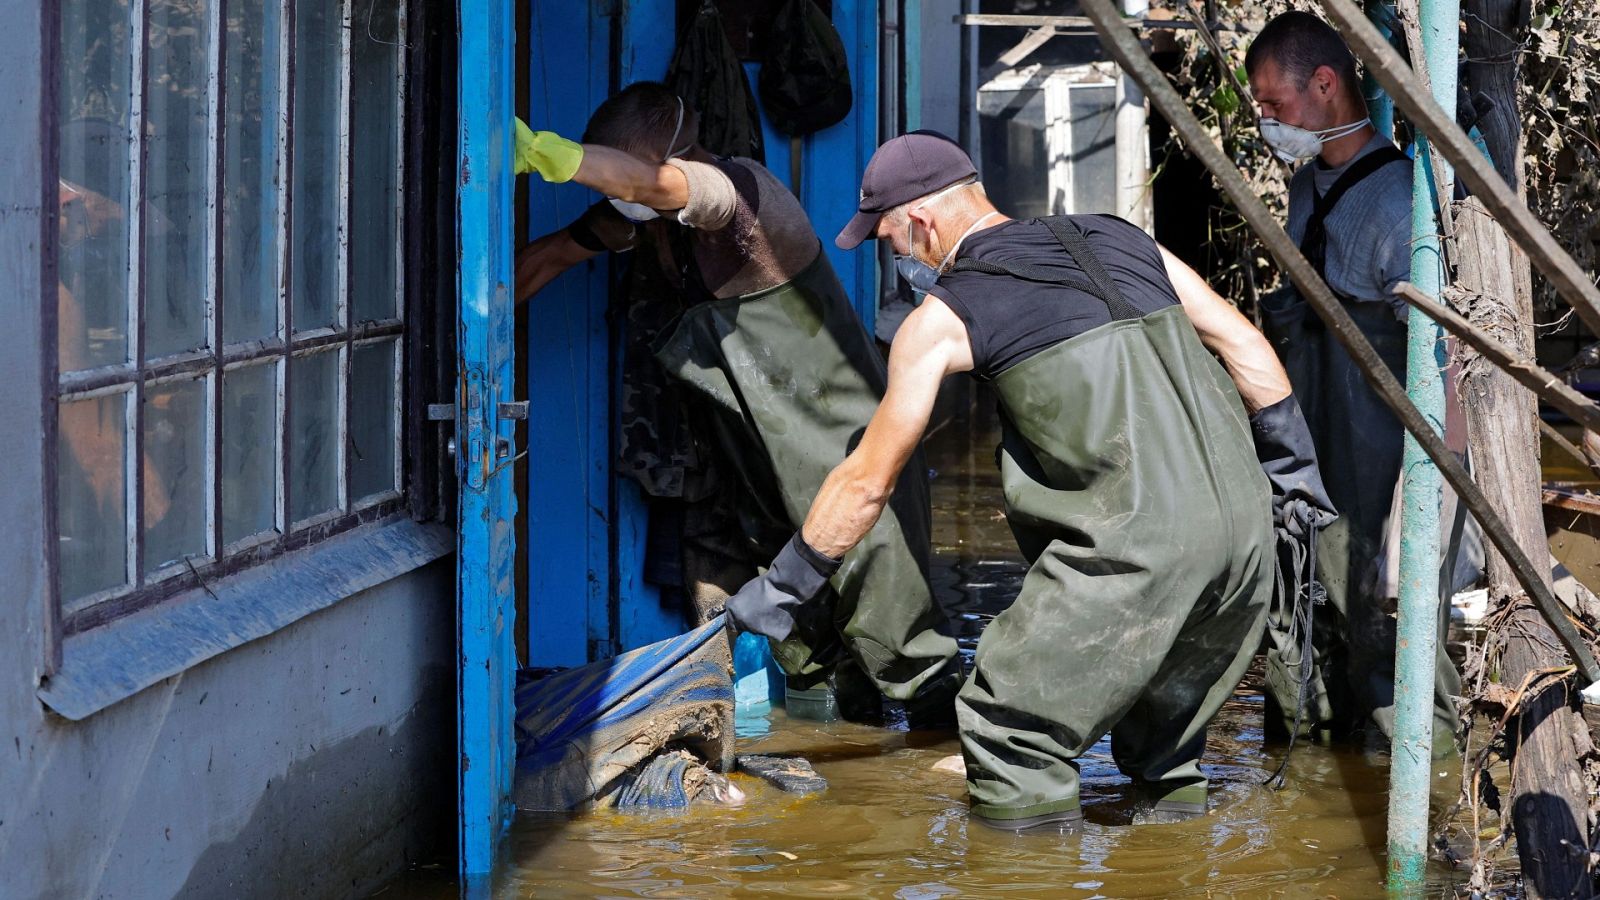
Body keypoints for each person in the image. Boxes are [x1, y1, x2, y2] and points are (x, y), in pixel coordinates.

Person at [723, 131, 1331, 831]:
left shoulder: (943, 317)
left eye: (888, 238)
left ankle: (1028, 873)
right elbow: (1244, 345)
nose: (894, 255)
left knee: (1008, 731)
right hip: (1248, 536)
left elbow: (867, 482)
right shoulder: (1122, 237)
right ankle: (1169, 862)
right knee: (1164, 756)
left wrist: (784, 587)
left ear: (920, 221)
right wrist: (1294, 474)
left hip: (1137, 548)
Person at [513, 83, 962, 717]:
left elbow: (650, 186)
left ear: (669, 160)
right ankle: (837, 757)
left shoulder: (739, 194)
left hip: (843, 443)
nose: (617, 195)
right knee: (806, 649)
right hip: (762, 455)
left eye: (621, 171)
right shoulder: (641, 221)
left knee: (894, 623)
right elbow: (550, 256)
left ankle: (944, 755)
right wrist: (472, 319)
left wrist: (550, 154)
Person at [1247, 11, 1461, 754]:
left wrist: (1427, 497)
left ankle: (1429, 771)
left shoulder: (1400, 203)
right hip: (1312, 454)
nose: (1267, 121)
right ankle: (1315, 771)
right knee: (1305, 616)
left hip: (1375, 464)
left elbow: (1441, 361)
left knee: (1381, 633)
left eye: (1274, 104)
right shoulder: (1307, 187)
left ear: (1325, 84)